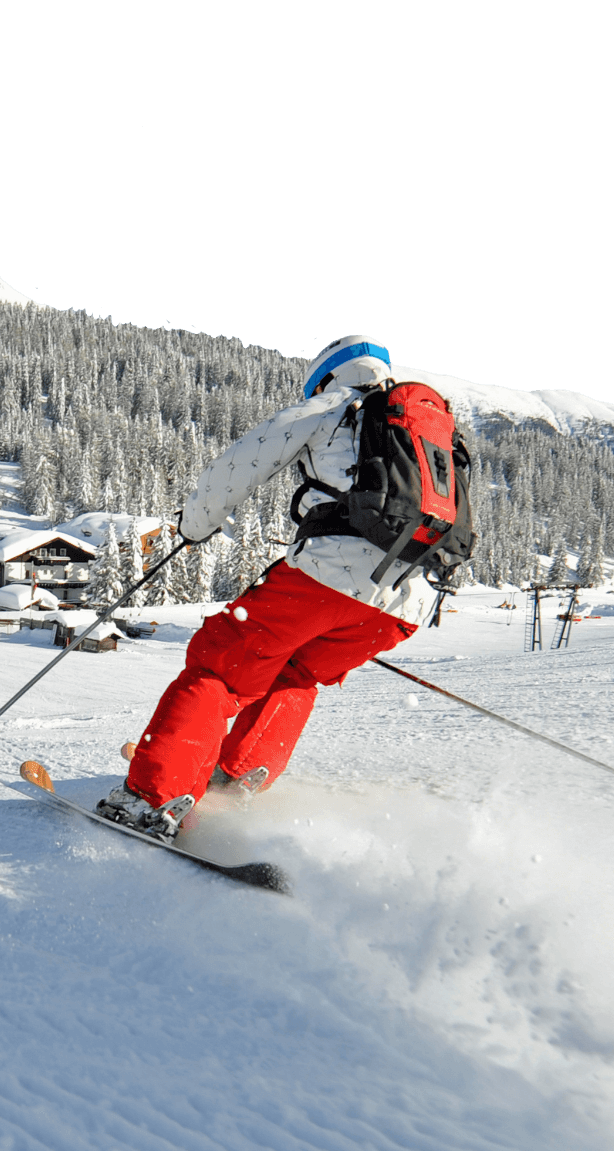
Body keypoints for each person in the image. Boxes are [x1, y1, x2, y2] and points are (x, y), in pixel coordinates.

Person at [98, 336, 455, 838]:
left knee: (219, 665)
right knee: (297, 669)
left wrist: (193, 526)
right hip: (409, 599)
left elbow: (239, 464)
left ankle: (152, 797)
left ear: (326, 376)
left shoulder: (336, 404)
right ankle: (235, 777)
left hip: (330, 574)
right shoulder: (430, 432)